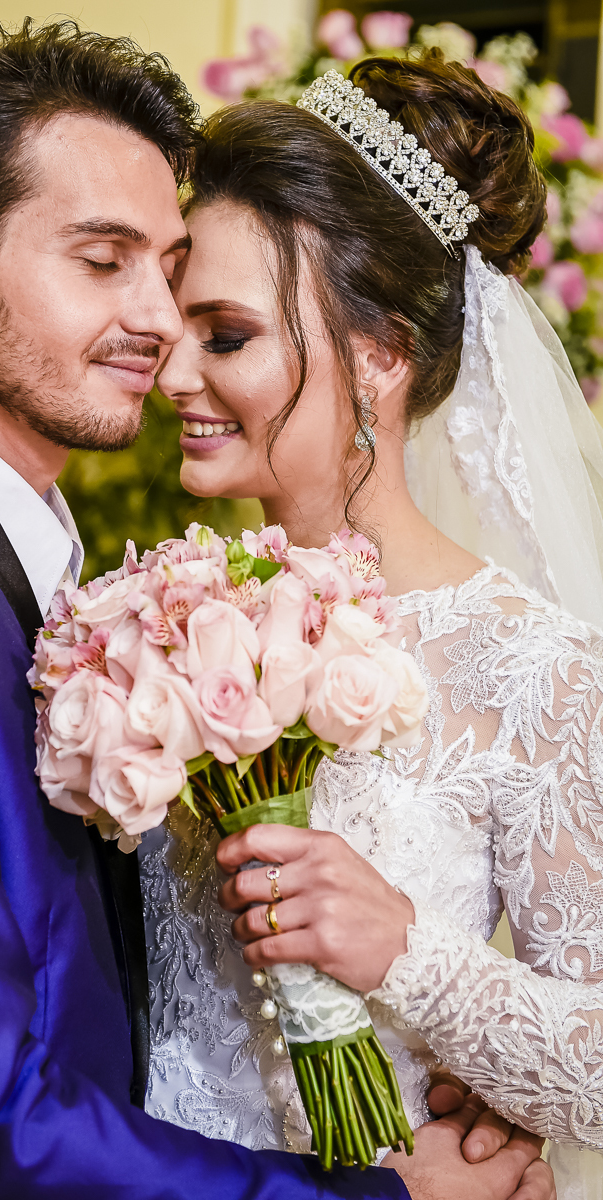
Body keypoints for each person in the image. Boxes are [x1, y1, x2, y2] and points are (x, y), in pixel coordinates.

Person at [0, 16, 549, 1200]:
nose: (159, 322)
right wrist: (381, 1196)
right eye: (104, 262)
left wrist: (454, 1026)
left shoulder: (85, 588)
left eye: (167, 266)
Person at [149, 51, 603, 1199]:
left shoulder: (529, 667)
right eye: (174, 325)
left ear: (379, 357)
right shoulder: (155, 622)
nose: (171, 375)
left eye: (225, 336)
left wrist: (409, 953)